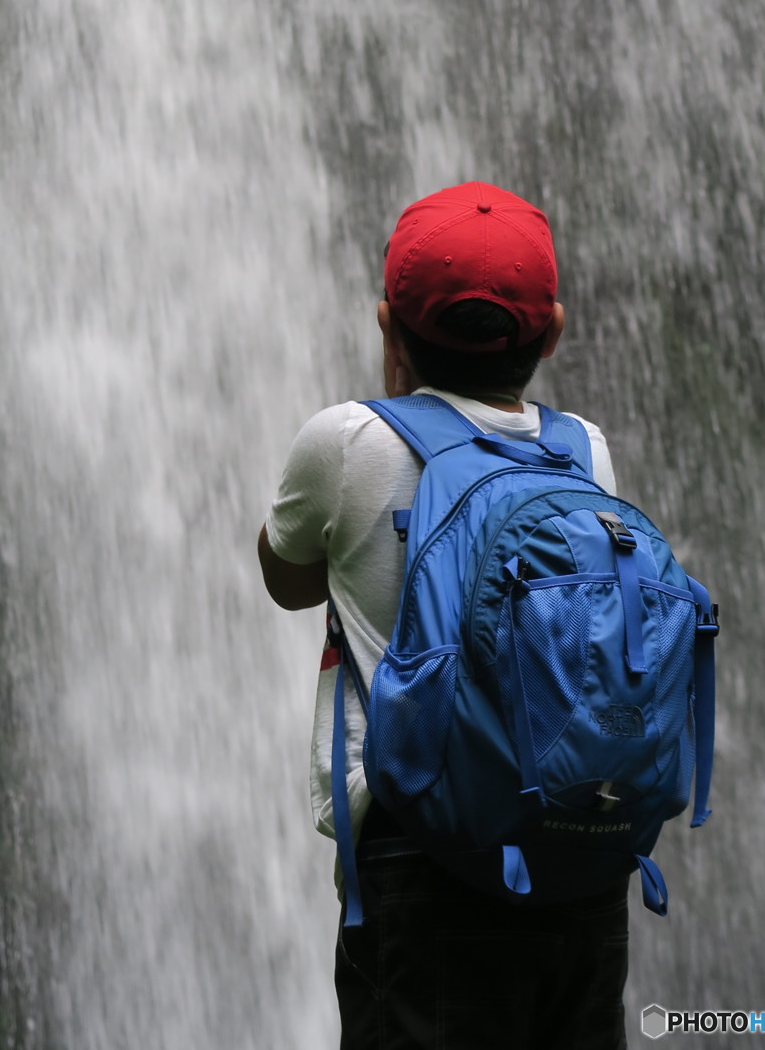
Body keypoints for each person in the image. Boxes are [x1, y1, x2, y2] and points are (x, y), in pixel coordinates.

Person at [258, 181, 630, 1050]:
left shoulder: (347, 443)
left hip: (421, 873)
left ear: (388, 325)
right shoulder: (586, 453)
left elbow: (287, 579)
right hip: (578, 863)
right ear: (553, 332)